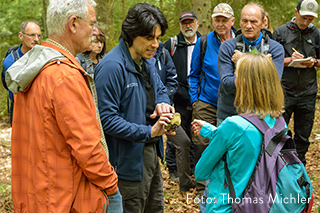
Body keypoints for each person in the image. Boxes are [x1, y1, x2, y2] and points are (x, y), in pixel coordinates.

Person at [5, 0, 121, 212]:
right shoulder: (64, 76)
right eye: (92, 23)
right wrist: (111, 188)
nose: (96, 31)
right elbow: (88, 147)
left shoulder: (33, 65)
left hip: (34, 196)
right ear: (73, 24)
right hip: (63, 200)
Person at [94, 3, 175, 212]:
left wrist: (163, 103)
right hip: (126, 165)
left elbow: (161, 88)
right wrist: (149, 131)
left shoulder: (146, 60)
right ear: (132, 34)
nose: (156, 44)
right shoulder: (112, 66)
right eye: (149, 38)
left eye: (158, 38)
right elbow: (107, 120)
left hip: (150, 155)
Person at [192, 53, 285, 213]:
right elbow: (252, 140)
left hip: (226, 206)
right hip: (262, 204)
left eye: (235, 75)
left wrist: (219, 137)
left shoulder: (233, 125)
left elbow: (201, 172)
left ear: (243, 83)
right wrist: (212, 131)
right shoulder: (279, 122)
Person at [187, 3, 236, 197]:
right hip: (206, 102)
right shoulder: (204, 42)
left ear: (232, 21)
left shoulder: (241, 40)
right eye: (217, 20)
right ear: (212, 21)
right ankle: (202, 189)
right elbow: (193, 74)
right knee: (202, 144)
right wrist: (195, 101)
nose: (221, 23)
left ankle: (228, 184)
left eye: (225, 20)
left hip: (234, 104)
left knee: (230, 144)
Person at [217, 2, 284, 123]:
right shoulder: (227, 47)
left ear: (264, 23)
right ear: (239, 22)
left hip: (262, 115)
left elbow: (272, 85)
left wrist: (244, 59)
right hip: (229, 114)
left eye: (253, 22)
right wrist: (262, 66)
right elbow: (228, 85)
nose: (248, 26)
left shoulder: (275, 49)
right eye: (244, 21)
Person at [273, 0, 320, 165]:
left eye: (310, 19)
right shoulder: (280, 32)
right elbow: (270, 61)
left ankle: (299, 168)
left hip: (307, 92)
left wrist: (314, 62)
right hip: (284, 90)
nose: (306, 22)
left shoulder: (316, 34)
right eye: (303, 17)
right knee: (278, 131)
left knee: (303, 135)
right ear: (295, 12)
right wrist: (289, 60)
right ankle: (277, 165)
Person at [163, 10, 200, 183]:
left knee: (196, 133)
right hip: (177, 96)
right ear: (180, 25)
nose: (188, 26)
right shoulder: (171, 44)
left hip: (198, 95)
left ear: (197, 23)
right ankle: (173, 168)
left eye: (191, 22)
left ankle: (191, 167)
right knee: (176, 133)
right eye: (184, 23)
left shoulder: (205, 42)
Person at [2, 20, 41, 125]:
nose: (36, 39)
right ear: (21, 36)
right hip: (20, 110)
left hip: (40, 109)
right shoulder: (10, 61)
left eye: (39, 36)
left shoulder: (43, 56)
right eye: (32, 35)